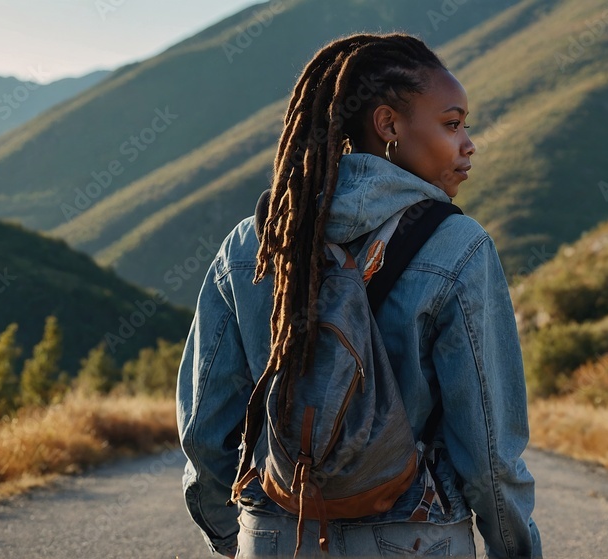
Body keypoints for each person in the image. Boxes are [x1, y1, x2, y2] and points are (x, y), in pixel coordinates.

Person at [176, 32, 542, 558]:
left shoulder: (255, 242)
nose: (468, 144)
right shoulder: (460, 246)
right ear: (389, 124)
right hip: (415, 535)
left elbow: (205, 426)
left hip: (277, 531)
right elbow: (491, 455)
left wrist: (230, 534)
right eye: (452, 123)